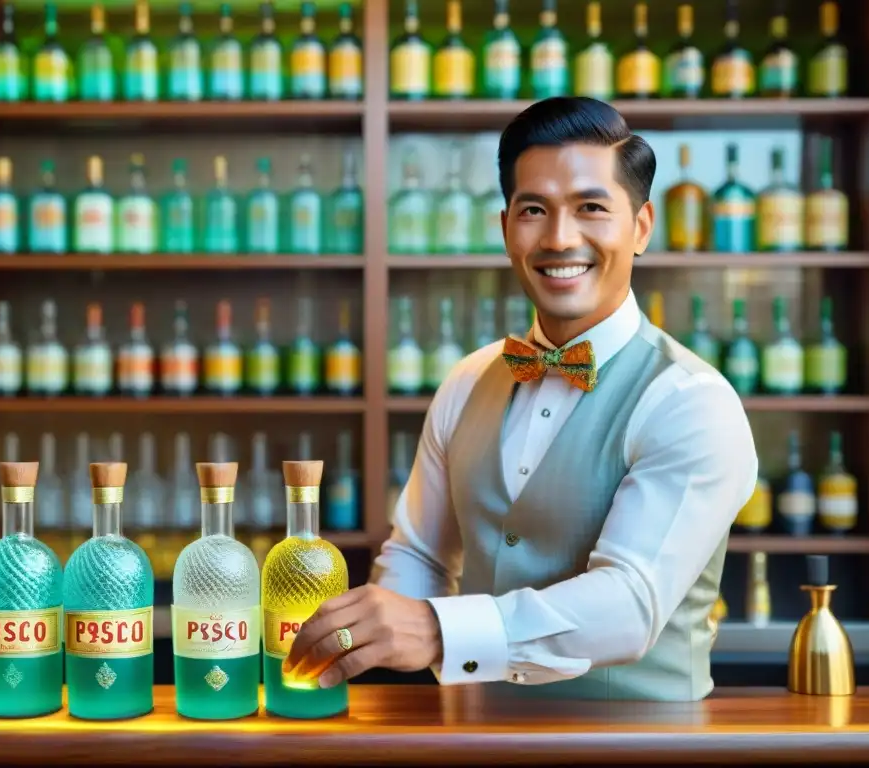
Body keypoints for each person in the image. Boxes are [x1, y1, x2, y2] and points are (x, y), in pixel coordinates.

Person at [284, 97, 758, 701]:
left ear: (640, 228)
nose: (560, 239)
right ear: (506, 228)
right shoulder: (467, 379)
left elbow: (630, 603)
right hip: (471, 738)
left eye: (591, 208)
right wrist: (356, 632)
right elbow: (420, 555)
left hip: (640, 748)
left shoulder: (692, 402)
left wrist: (434, 628)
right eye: (535, 210)